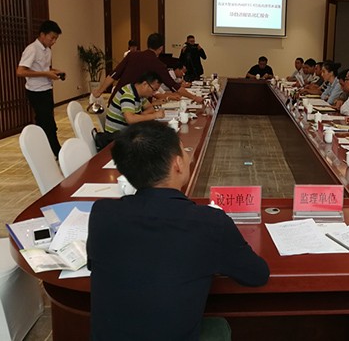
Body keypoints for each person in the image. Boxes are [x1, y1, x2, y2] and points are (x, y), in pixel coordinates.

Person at [87, 121, 269, 341]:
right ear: (177, 164)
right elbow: (257, 275)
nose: (189, 157)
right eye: (185, 151)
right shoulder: (210, 223)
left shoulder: (102, 213)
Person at [92, 33, 203, 103]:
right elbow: (175, 87)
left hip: (116, 101)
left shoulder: (131, 55)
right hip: (133, 106)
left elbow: (113, 75)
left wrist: (99, 91)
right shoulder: (158, 64)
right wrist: (194, 98)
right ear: (161, 48)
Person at [16, 20, 65, 156]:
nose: (54, 41)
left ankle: (39, 151)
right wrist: (46, 74)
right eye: (52, 38)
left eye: (56, 39)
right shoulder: (32, 49)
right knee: (48, 124)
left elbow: (44, 68)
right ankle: (58, 152)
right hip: (36, 92)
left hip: (46, 89)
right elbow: (20, 71)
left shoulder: (47, 50)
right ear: (42, 35)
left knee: (44, 122)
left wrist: (55, 71)